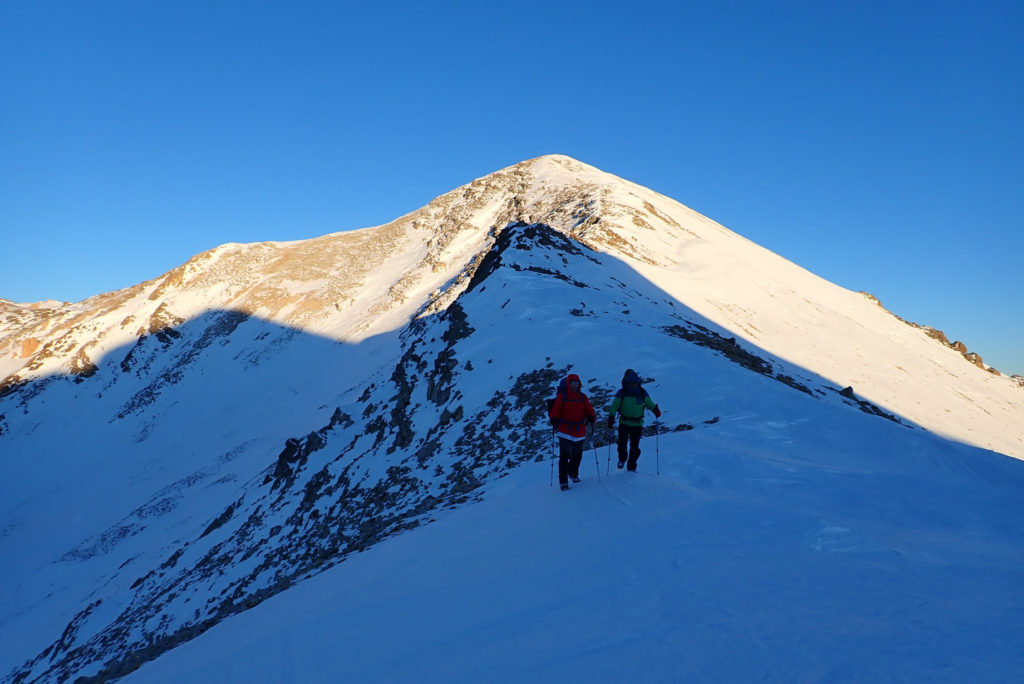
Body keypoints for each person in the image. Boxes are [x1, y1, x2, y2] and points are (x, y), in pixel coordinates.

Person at [548, 373, 597, 491]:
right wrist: (554, 418)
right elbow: (556, 409)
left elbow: (589, 409)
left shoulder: (583, 397)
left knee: (577, 455)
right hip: (565, 430)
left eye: (576, 383)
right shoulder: (562, 397)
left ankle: (573, 473)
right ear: (568, 384)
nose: (574, 385)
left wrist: (591, 416)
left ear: (579, 384)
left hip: (579, 430)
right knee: (564, 456)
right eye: (572, 383)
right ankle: (563, 481)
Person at [607, 369, 661, 472]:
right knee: (632, 446)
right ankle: (630, 466)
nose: (633, 386)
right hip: (635, 423)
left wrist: (611, 418)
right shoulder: (641, 391)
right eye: (632, 383)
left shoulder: (622, 392)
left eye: (634, 384)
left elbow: (614, 406)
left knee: (625, 444)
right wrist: (655, 410)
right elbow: (649, 403)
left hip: (626, 423)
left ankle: (624, 461)